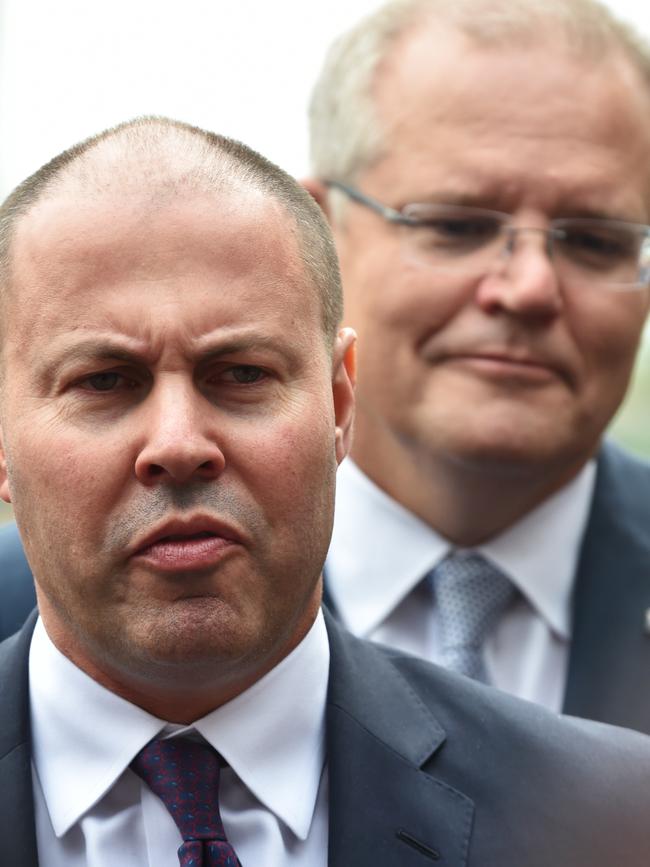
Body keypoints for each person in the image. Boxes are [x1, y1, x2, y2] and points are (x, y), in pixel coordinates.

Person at [1, 115, 650, 867]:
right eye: (104, 382)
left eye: (241, 374)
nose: (179, 444)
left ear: (341, 406)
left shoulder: (611, 820)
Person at [300, 0, 650, 733]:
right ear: (318, 239)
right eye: (455, 225)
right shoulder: (43, 611)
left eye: (593, 241)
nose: (529, 288)